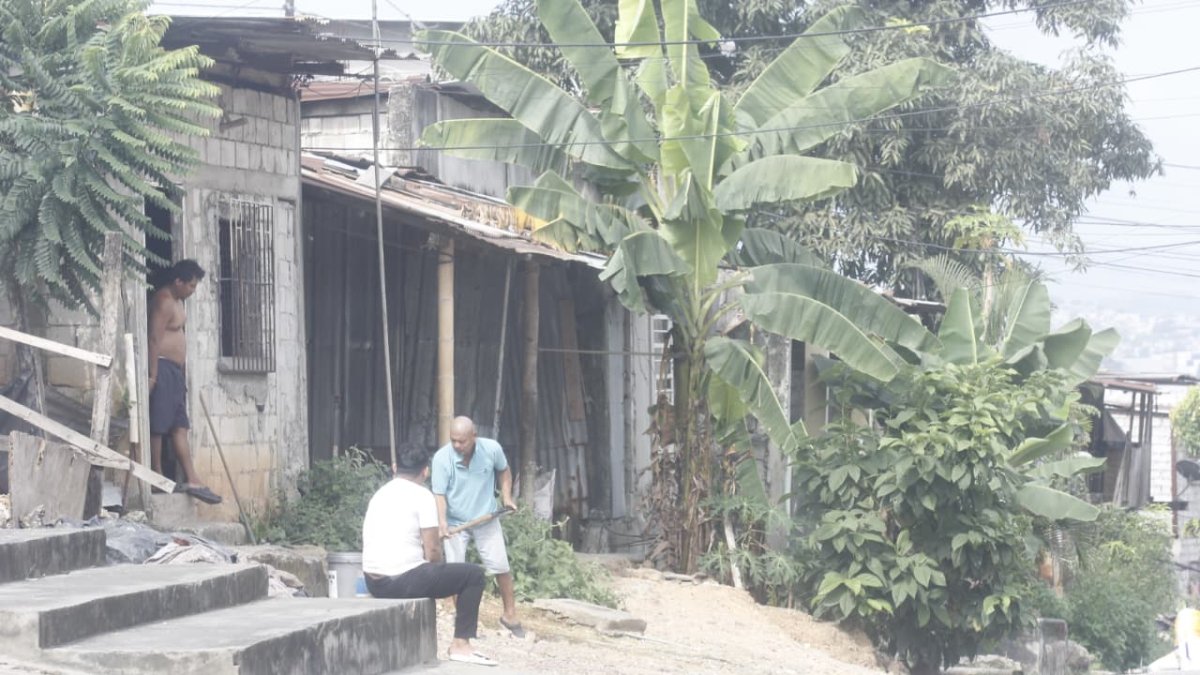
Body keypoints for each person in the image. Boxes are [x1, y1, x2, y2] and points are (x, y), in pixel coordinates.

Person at [363, 441, 497, 667]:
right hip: (399, 582)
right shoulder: (422, 495)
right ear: (425, 471)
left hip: (373, 581)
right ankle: (461, 645)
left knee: (444, 572)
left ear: (395, 467)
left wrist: (432, 538)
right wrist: (435, 548)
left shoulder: (380, 494)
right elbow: (433, 553)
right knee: (472, 575)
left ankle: (461, 644)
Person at [432, 416, 524, 638]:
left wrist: (507, 496)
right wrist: (442, 522)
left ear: (474, 436)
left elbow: (504, 471)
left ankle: (510, 615)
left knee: (501, 566)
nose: (457, 445)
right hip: (455, 522)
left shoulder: (491, 449)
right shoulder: (442, 458)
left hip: (486, 517)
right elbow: (439, 494)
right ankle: (462, 619)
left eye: (462, 441)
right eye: (453, 440)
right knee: (456, 572)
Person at [148, 259, 221, 504]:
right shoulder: (164, 301)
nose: (193, 290)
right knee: (158, 425)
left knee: (180, 425)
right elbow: (154, 339)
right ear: (178, 282)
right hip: (163, 367)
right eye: (190, 285)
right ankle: (156, 475)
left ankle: (192, 477)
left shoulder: (179, 301)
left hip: (176, 373)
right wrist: (152, 375)